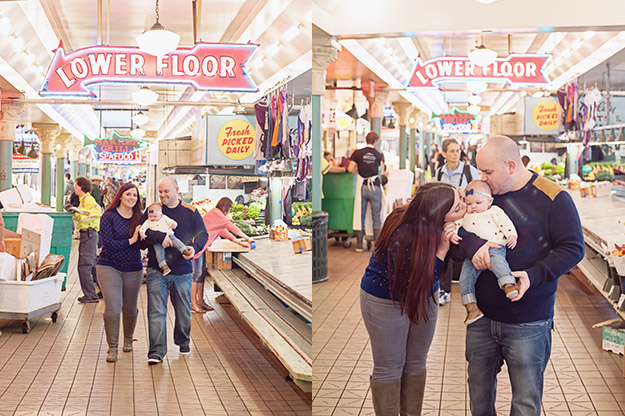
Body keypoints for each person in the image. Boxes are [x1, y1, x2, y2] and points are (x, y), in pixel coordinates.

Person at [454, 135, 584, 415]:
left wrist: (534, 275)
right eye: (480, 171)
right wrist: (474, 245)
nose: (482, 178)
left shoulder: (553, 197)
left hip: (529, 321)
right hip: (480, 318)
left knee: (525, 401)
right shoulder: (481, 195)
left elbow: (573, 249)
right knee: (479, 396)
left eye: (488, 172)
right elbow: (455, 233)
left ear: (511, 165)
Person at [360, 182, 466, 415]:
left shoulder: (444, 226)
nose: (465, 208)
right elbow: (414, 280)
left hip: (425, 294)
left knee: (416, 361)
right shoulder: (404, 232)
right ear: (437, 213)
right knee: (389, 366)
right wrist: (441, 251)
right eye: (458, 207)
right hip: (386, 298)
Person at [139, 176, 208, 364]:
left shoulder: (190, 212)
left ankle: (183, 340)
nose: (162, 195)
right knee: (156, 311)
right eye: (160, 192)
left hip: (182, 270)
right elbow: (141, 237)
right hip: (156, 270)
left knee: (183, 310)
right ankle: (156, 352)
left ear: (177, 190)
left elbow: (203, 234)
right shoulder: (152, 210)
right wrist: (159, 237)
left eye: (166, 191)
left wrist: (193, 249)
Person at [453, 180, 518, 325]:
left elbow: (505, 223)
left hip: (495, 246)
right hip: (472, 255)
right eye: (469, 204)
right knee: (465, 276)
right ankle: (471, 307)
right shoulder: (465, 216)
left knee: (498, 263)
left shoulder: (494, 211)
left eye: (478, 203)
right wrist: (452, 232)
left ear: (490, 201)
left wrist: (511, 235)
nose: (473, 207)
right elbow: (455, 225)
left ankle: (507, 283)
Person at [96, 182, 143, 362]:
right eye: (128, 194)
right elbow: (108, 245)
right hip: (109, 266)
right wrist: (132, 240)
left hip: (133, 268)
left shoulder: (139, 218)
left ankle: (128, 340)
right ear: (120, 196)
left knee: (130, 308)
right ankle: (112, 347)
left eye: (135, 195)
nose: (132, 198)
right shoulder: (108, 216)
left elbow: (143, 243)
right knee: (113, 308)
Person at [435, 138, 481, 306]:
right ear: (444, 153)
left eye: (458, 150)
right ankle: (444, 290)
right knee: (445, 251)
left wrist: (466, 193)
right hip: (446, 220)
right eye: (452, 151)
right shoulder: (440, 172)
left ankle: (472, 291)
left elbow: (480, 191)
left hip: (467, 220)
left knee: (467, 252)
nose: (456, 154)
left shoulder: (469, 170)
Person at [192, 197, 252, 314]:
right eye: (229, 209)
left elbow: (224, 232)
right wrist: (247, 238)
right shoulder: (217, 214)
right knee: (196, 275)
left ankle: (200, 301)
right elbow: (232, 227)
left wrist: (239, 242)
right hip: (196, 247)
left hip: (201, 247)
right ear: (225, 208)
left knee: (201, 274)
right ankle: (193, 303)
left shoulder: (216, 216)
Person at [347, 132, 385, 252]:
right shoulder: (379, 155)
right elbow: (382, 171)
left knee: (361, 214)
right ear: (375, 141)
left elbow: (350, 168)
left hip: (362, 186)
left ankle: (359, 245)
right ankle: (376, 247)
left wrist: (358, 170)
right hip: (375, 186)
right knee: (376, 216)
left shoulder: (357, 153)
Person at [71, 176, 103, 303]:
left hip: (89, 234)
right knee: (93, 265)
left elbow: (96, 212)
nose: (74, 187)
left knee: (84, 266)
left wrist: (80, 211)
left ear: (82, 187)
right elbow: (83, 216)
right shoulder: (83, 200)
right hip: (89, 234)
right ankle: (105, 290)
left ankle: (90, 295)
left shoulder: (88, 200)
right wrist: (74, 214)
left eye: (76, 185)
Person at [140, 203, 193, 276]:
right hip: (156, 241)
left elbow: (171, 221)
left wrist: (173, 224)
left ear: (161, 215)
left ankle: (184, 250)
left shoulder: (164, 218)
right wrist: (142, 233)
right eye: (150, 216)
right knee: (159, 253)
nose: (152, 218)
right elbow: (143, 227)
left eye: (155, 216)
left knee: (176, 242)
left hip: (169, 234)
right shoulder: (148, 222)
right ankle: (163, 266)